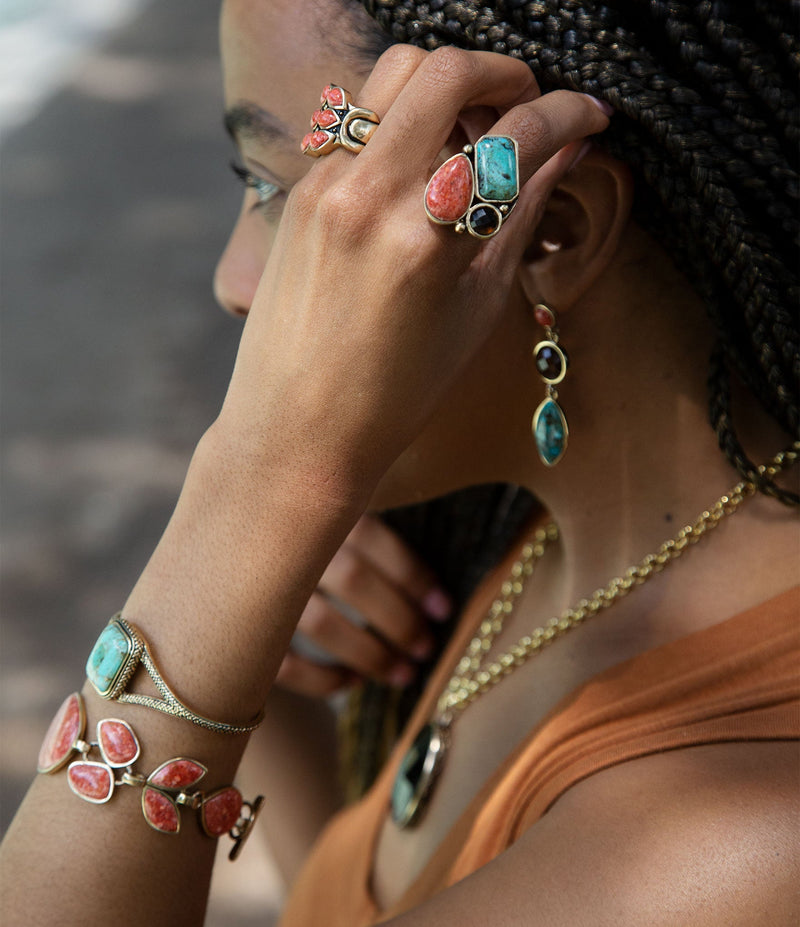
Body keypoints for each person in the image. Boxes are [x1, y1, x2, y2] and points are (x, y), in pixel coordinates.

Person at [1, 0, 798, 924]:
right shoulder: (550, 550)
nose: (231, 279)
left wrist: (255, 495)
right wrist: (251, 619)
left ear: (548, 231)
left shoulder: (721, 849)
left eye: (272, 191)